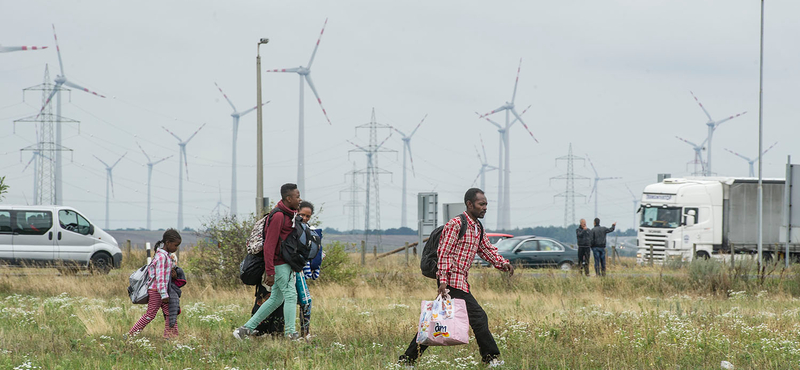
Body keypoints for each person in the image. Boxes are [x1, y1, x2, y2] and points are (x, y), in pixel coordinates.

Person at [399, 188, 513, 367]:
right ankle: (491, 358)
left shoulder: (477, 226)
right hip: (450, 280)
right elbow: (444, 253)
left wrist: (502, 263)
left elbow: (485, 249)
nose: (485, 208)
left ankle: (408, 359)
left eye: (486, 204)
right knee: (479, 317)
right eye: (481, 204)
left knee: (434, 320)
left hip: (461, 281)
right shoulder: (456, 224)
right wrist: (443, 280)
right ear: (469, 204)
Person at [233, 183, 302, 340]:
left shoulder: (290, 215)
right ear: (288, 198)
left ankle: (245, 330)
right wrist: (270, 272)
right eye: (297, 196)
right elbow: (269, 246)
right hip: (279, 264)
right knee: (291, 295)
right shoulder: (278, 216)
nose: (300, 199)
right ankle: (291, 334)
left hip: (286, 264)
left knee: (276, 299)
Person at [251, 200, 323, 338]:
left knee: (281, 299)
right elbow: (272, 246)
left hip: (290, 267)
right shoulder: (284, 221)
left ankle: (250, 329)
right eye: (302, 214)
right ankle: (281, 332)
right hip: (276, 266)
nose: (305, 218)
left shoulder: (302, 227)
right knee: (277, 297)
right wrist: (270, 270)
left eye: (308, 216)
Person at [127, 228, 182, 338]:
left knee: (170, 314)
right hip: (157, 292)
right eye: (175, 245)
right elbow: (160, 278)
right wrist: (163, 294)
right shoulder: (162, 257)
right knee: (150, 315)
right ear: (168, 243)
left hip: (162, 291)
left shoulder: (165, 256)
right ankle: (131, 334)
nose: (176, 248)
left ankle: (171, 337)